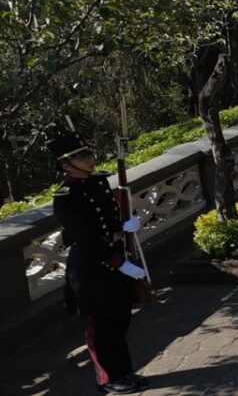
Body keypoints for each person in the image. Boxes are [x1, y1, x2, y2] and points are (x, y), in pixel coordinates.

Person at [51, 129, 148, 394]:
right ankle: (108, 378)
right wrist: (119, 263)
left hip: (115, 258)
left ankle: (124, 372)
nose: (89, 159)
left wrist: (125, 224)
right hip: (91, 267)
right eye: (81, 156)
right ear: (65, 164)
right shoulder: (64, 198)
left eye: (88, 153)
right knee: (101, 326)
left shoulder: (99, 183)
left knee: (120, 320)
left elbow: (109, 218)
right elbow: (85, 237)